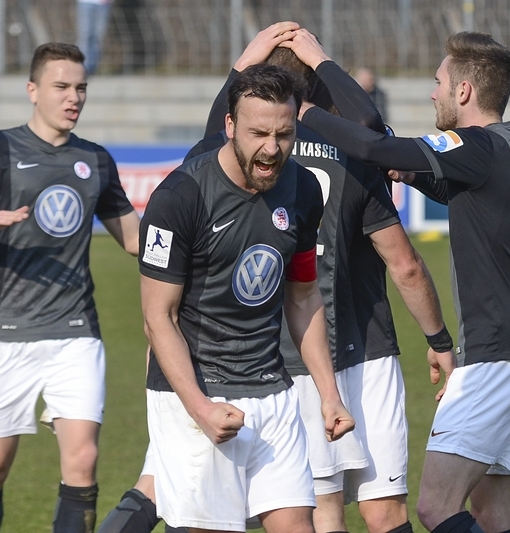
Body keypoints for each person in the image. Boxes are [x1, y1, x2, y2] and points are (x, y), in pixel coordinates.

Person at [184, 25, 454, 533]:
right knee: (387, 511)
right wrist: (439, 339)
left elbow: (208, 139)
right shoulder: (355, 153)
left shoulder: (247, 157)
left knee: (322, 509)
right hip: (369, 349)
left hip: (292, 354)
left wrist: (241, 65)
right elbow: (405, 264)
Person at [296, 31, 510, 533]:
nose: (433, 93)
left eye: (439, 82)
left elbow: (372, 144)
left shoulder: (476, 144)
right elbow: (464, 191)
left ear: (464, 90)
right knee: (492, 512)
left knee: (436, 507)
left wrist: (306, 107)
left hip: (497, 356)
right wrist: (410, 172)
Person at [0, 42, 140, 533]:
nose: (74, 97)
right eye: (61, 86)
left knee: (83, 460)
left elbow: (134, 239)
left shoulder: (95, 160)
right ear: (32, 90)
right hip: (5, 332)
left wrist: (190, 237)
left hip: (76, 331)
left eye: (81, 88)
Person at [136, 63, 355, 533]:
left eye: (284, 134)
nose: (272, 149)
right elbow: (158, 318)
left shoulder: (303, 188)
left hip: (272, 390)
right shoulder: (180, 196)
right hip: (200, 393)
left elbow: (303, 295)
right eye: (259, 134)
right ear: (230, 125)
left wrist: (329, 395)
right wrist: (200, 408)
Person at [77, 0, 113, 74]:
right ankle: (82, 66)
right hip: (86, 3)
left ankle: (92, 69)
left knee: (98, 38)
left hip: (104, 5)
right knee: (85, 36)